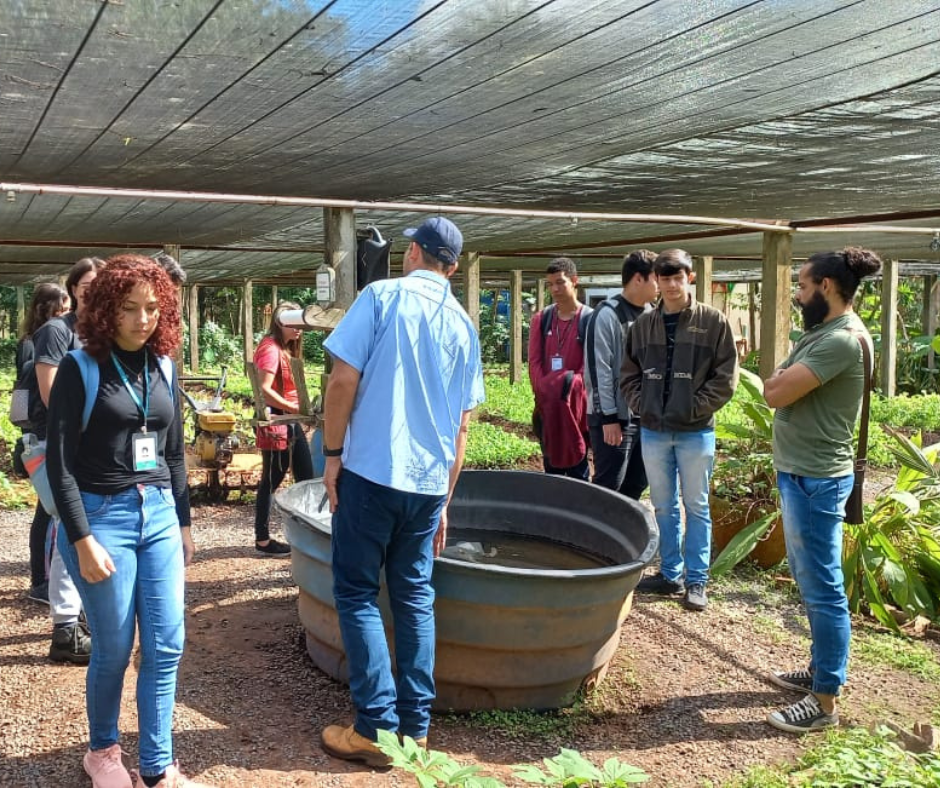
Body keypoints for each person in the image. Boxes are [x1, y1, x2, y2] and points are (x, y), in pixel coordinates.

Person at [319, 216, 484, 766]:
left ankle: (374, 729)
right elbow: (462, 426)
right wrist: (444, 500)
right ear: (453, 267)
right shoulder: (464, 325)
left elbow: (342, 379)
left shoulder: (380, 296)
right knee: (415, 598)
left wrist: (334, 455)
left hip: (371, 471)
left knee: (357, 592)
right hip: (428, 484)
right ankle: (417, 730)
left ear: (412, 253)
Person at [46, 255, 211, 788]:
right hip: (101, 517)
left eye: (152, 309)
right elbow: (60, 463)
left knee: (165, 643)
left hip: (158, 513)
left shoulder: (163, 365)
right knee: (114, 647)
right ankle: (102, 751)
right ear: (105, 311)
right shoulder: (80, 366)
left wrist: (183, 522)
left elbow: (174, 453)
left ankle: (158, 764)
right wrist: (81, 538)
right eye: (130, 309)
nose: (143, 320)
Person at [763, 247, 882, 734]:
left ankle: (824, 700)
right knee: (811, 581)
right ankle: (819, 670)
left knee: (824, 588)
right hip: (801, 472)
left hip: (816, 479)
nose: (797, 293)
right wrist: (781, 380)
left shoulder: (841, 341)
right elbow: (779, 382)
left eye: (802, 285)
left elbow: (773, 392)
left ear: (826, 287)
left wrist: (779, 382)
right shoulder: (822, 334)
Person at [621, 249, 738, 612]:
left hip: (695, 431)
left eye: (678, 277)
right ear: (655, 280)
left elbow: (726, 377)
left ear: (690, 277)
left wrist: (692, 408)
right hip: (654, 430)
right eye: (664, 277)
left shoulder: (713, 322)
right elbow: (628, 374)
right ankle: (670, 573)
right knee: (663, 505)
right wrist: (643, 405)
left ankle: (696, 579)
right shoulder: (643, 326)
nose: (671, 285)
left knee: (696, 505)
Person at [26, 256, 104, 662]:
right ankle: (65, 628)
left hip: (94, 449)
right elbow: (50, 396)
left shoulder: (100, 332)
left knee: (89, 528)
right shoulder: (57, 332)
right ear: (73, 288)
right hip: (60, 444)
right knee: (66, 528)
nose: (91, 290)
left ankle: (83, 617)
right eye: (85, 283)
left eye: (99, 283)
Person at [584, 250, 658, 499]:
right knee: (608, 486)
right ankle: (594, 537)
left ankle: (624, 536)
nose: (662, 285)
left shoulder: (652, 314)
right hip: (615, 419)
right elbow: (599, 371)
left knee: (637, 483)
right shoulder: (607, 315)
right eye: (657, 278)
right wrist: (609, 419)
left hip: (645, 418)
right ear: (639, 279)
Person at [14, 283, 70, 603]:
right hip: (45, 432)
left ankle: (41, 578)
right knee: (49, 511)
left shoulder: (27, 341)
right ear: (48, 308)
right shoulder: (42, 342)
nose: (66, 315)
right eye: (62, 308)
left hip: (35, 430)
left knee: (46, 509)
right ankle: (41, 581)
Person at [252, 300, 314, 555]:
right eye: (294, 324)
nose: (299, 329)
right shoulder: (271, 348)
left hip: (287, 420)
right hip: (278, 422)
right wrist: (294, 408)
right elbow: (264, 391)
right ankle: (263, 539)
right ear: (280, 322)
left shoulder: (280, 347)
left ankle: (306, 536)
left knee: (305, 477)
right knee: (272, 479)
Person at [527, 257, 593, 479]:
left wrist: (569, 390)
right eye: (550, 284)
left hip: (575, 409)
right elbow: (534, 362)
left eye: (560, 282)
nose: (554, 288)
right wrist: (545, 391)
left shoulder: (589, 319)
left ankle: (578, 509)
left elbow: (589, 365)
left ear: (575, 281)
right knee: (551, 466)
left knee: (578, 462)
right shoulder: (542, 319)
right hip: (549, 407)